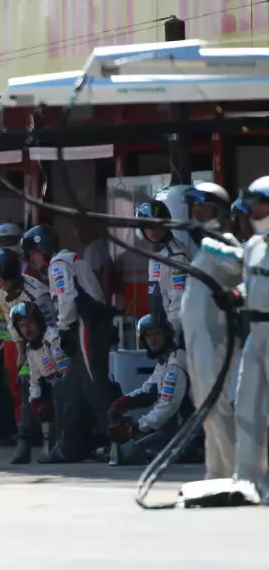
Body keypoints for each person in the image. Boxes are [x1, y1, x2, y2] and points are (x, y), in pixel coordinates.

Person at [23, 224, 115, 463]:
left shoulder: (58, 264)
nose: (32, 260)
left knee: (95, 386)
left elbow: (67, 299)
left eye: (32, 253)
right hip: (89, 325)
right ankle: (70, 446)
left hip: (87, 324)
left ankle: (121, 440)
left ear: (41, 248)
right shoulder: (67, 260)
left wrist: (63, 329)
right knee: (72, 389)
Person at [180, 182, 242, 480]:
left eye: (201, 205)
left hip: (216, 338)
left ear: (216, 210)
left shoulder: (225, 241)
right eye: (192, 205)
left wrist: (208, 241)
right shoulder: (202, 248)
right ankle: (216, 471)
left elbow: (236, 268)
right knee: (203, 405)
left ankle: (236, 472)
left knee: (217, 404)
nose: (195, 210)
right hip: (197, 339)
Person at [0, 248, 57, 461]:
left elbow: (53, 325)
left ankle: (54, 441)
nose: (3, 283)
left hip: (51, 345)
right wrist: (20, 352)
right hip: (27, 347)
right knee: (26, 387)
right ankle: (24, 441)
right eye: (0, 279)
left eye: (7, 279)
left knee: (55, 392)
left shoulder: (38, 294)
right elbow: (10, 320)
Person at [107, 313, 190, 466]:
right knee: (123, 450)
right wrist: (122, 402)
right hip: (172, 430)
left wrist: (136, 428)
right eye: (148, 336)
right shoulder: (165, 360)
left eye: (157, 334)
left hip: (186, 436)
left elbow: (166, 408)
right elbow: (150, 390)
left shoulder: (174, 364)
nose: (152, 340)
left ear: (167, 335)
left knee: (128, 452)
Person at [230, 176, 269, 497]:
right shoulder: (253, 246)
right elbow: (249, 283)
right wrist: (235, 294)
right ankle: (246, 476)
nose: (254, 210)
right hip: (254, 335)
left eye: (260, 202)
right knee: (246, 403)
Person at [8, 301, 68, 464]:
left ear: (39, 321)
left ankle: (61, 445)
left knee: (58, 387)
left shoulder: (52, 339)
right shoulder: (29, 348)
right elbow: (34, 377)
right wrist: (34, 401)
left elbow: (66, 371)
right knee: (29, 388)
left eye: (30, 323)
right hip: (49, 385)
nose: (27, 329)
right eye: (22, 325)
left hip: (66, 386)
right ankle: (34, 444)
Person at [135, 199, 189, 341]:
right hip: (161, 330)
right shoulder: (155, 255)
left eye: (157, 224)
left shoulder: (177, 255)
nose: (152, 230)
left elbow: (178, 303)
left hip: (176, 335)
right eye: (147, 226)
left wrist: (169, 338)